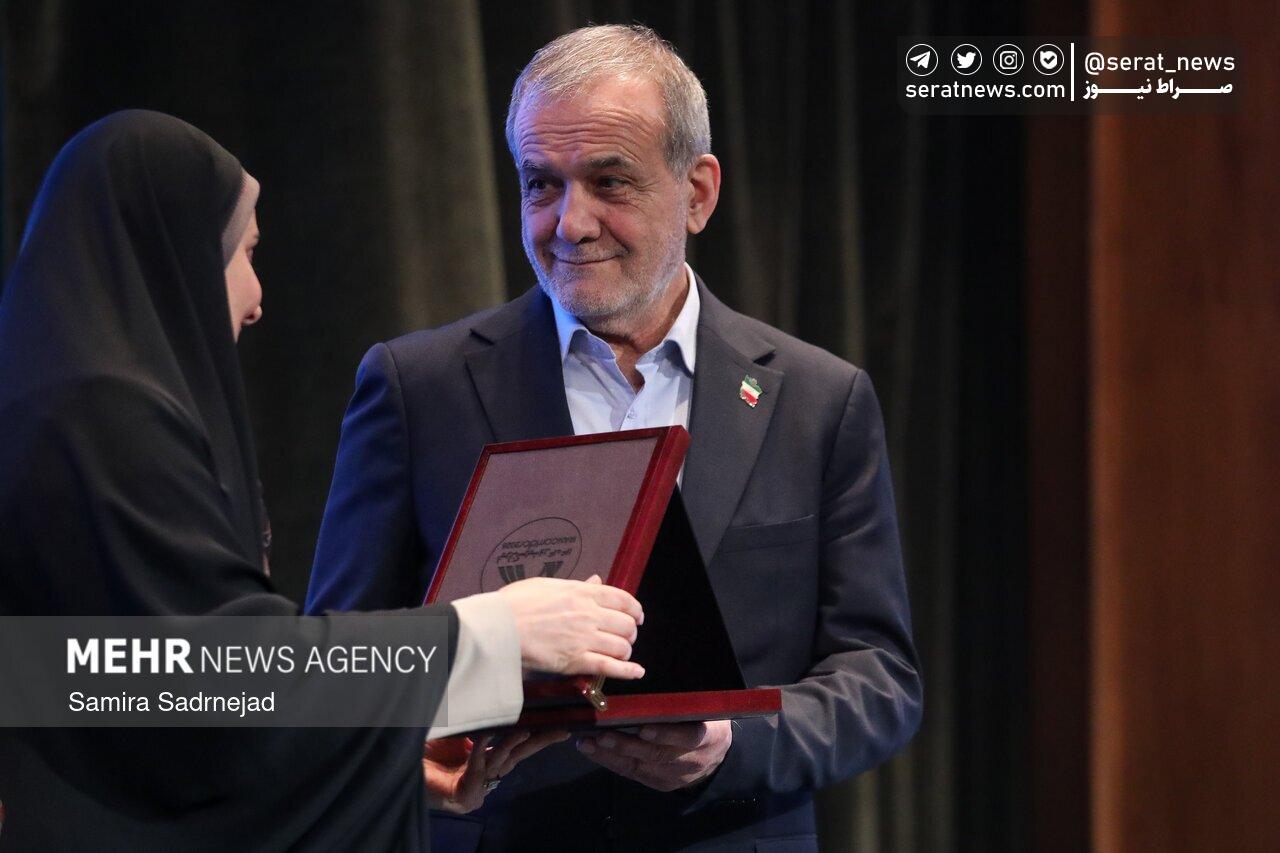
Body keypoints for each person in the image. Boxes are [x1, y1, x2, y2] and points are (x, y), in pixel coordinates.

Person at [306, 23, 923, 851]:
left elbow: (879, 680)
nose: (571, 223)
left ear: (698, 192)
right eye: (541, 184)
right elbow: (334, 669)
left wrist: (732, 745)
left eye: (609, 181)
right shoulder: (419, 388)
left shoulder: (819, 399)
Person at [0, 110, 645, 850]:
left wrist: (385, 756)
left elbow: (127, 699)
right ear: (173, 255)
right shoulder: (96, 415)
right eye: (245, 254)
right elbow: (205, 678)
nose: (256, 299)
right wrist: (494, 634)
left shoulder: (65, 404)